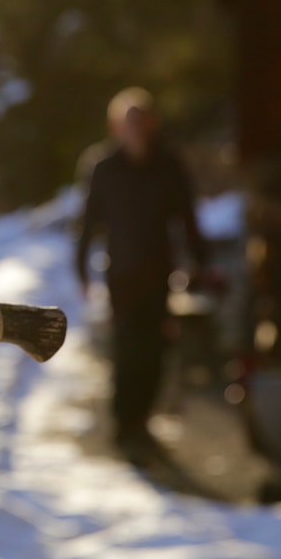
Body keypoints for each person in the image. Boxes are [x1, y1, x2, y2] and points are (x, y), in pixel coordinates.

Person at [75, 87, 214, 464]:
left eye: (140, 120)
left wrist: (199, 261)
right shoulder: (103, 168)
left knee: (153, 347)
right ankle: (125, 423)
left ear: (151, 124)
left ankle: (142, 419)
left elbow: (187, 216)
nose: (134, 128)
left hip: (157, 271)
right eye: (127, 121)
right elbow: (88, 221)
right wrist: (80, 265)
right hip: (121, 274)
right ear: (116, 126)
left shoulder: (168, 166)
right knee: (126, 348)